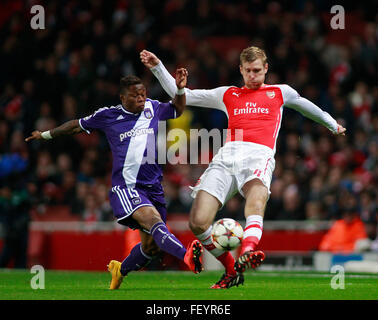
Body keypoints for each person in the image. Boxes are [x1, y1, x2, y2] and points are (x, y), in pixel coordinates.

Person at [140, 47, 346, 289]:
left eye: (257, 71)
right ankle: (231, 269)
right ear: (240, 70)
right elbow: (181, 94)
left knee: (256, 198)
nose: (253, 76)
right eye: (248, 71)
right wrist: (157, 67)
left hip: (259, 157)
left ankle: (248, 250)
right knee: (197, 222)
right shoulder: (228, 94)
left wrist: (333, 125)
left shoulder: (280, 92)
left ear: (266, 69)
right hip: (227, 157)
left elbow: (307, 107)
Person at [25, 69, 203, 290]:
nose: (141, 98)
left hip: (154, 188)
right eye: (135, 95)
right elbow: (75, 126)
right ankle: (187, 256)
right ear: (122, 98)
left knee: (151, 249)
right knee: (153, 220)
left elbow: (177, 109)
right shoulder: (108, 115)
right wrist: (45, 135)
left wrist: (179, 88)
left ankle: (120, 270)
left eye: (143, 94)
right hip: (127, 187)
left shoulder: (153, 107)